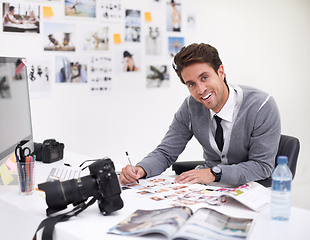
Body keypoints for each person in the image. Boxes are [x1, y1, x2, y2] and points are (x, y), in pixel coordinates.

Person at [119, 43, 281, 186]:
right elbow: (166, 153)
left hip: (251, 191)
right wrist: (141, 169)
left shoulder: (261, 105)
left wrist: (214, 173)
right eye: (191, 84)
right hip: (208, 191)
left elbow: (262, 166)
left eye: (204, 77)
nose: (201, 90)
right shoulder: (191, 107)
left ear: (221, 72)